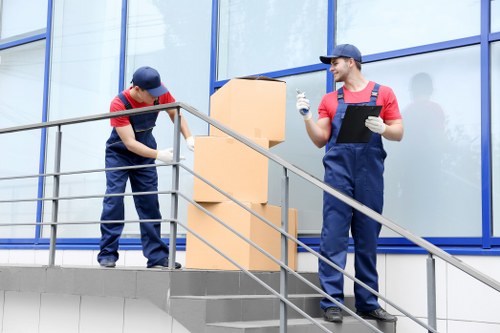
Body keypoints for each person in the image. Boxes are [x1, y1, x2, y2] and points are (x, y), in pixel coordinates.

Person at [296, 44, 403, 323]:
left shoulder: (384, 93)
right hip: (338, 173)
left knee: (367, 238)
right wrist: (307, 117)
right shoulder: (330, 100)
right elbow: (320, 138)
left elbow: (398, 132)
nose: (331, 68)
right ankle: (331, 302)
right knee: (333, 237)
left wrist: (384, 128)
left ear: (351, 62)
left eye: (335, 63)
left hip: (369, 174)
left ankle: (368, 302)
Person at [97, 66, 195, 269]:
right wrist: (159, 155)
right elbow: (130, 143)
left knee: (149, 203)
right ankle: (107, 254)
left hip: (145, 153)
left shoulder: (158, 90)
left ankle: (157, 257)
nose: (156, 98)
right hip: (120, 155)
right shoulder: (119, 103)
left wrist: (189, 137)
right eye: (152, 95)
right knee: (114, 200)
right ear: (138, 89)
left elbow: (175, 113)